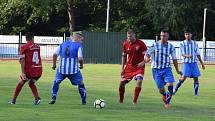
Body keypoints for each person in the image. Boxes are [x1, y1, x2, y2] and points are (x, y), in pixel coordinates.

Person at [144, 30, 181, 109]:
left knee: (170, 84)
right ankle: (165, 95)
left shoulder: (171, 47)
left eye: (164, 36)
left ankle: (167, 103)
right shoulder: (155, 45)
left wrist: (177, 70)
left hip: (167, 68)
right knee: (161, 90)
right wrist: (147, 58)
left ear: (168, 37)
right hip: (156, 70)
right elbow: (147, 54)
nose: (162, 37)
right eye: (161, 36)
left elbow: (174, 59)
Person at [49, 33, 86, 105]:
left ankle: (53, 96)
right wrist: (81, 65)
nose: (81, 42)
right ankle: (84, 101)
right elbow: (80, 58)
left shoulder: (63, 44)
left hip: (61, 69)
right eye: (81, 40)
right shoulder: (78, 46)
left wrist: (54, 64)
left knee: (56, 82)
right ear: (77, 38)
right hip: (73, 71)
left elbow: (55, 54)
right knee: (81, 83)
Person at [10, 32, 42, 105]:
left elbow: (22, 60)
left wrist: (23, 72)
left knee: (20, 82)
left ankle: (13, 101)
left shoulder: (24, 46)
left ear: (25, 38)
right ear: (33, 38)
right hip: (39, 69)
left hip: (30, 70)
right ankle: (37, 98)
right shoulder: (38, 46)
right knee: (31, 83)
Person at [118, 29, 147, 105]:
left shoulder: (141, 43)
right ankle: (121, 101)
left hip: (139, 67)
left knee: (139, 81)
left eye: (130, 36)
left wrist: (143, 62)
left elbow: (147, 56)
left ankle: (135, 101)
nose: (129, 38)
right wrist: (122, 68)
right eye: (128, 36)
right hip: (129, 67)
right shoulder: (125, 44)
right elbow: (124, 56)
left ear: (134, 35)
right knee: (121, 85)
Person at [173, 31, 205, 96]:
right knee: (183, 77)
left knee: (196, 77)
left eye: (188, 34)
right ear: (185, 35)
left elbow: (198, 54)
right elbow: (182, 53)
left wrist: (202, 63)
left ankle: (196, 94)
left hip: (194, 63)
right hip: (186, 63)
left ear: (191, 35)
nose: (187, 35)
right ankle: (175, 89)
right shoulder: (182, 43)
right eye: (186, 34)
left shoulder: (195, 43)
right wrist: (188, 56)